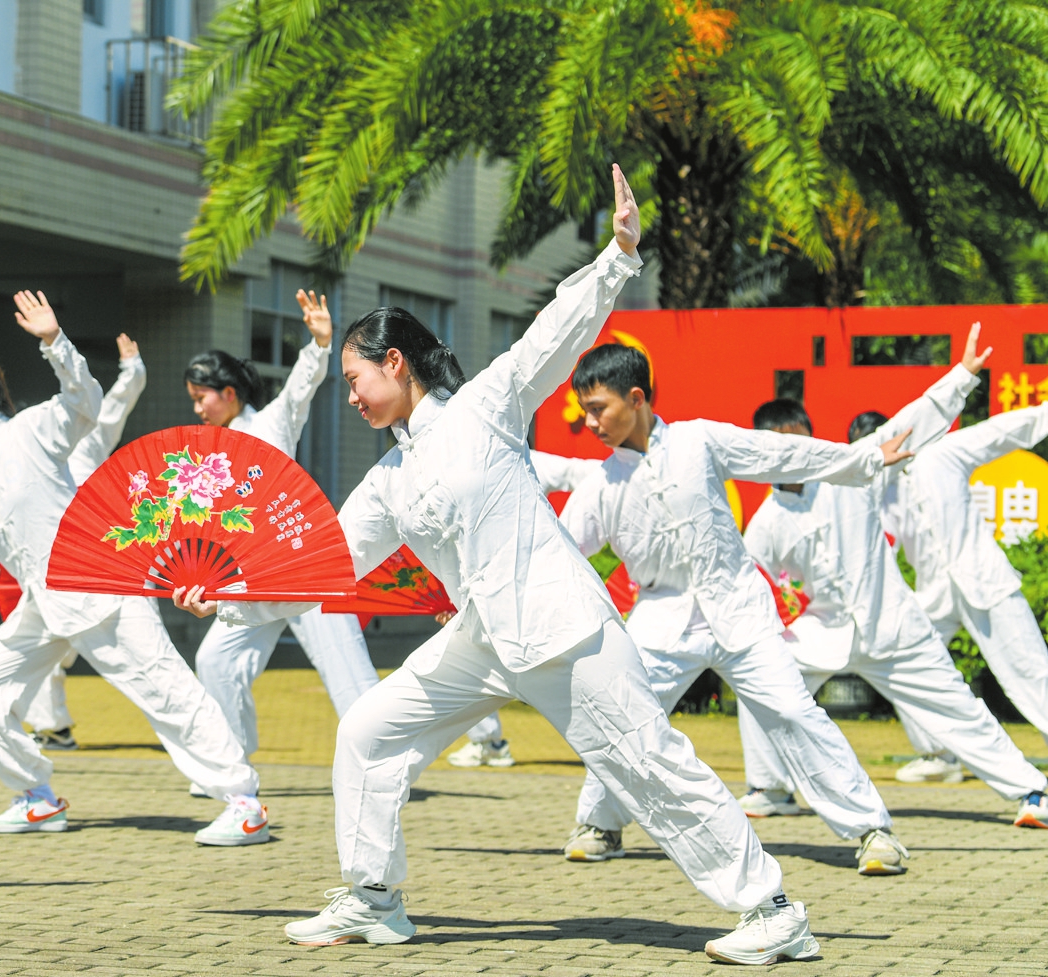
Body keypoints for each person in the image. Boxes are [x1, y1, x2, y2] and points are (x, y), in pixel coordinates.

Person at [177, 166, 818, 966]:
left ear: (397, 363)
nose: (350, 398)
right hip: (481, 638)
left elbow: (555, 330)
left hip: (563, 629)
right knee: (370, 731)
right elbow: (323, 559)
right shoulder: (389, 477)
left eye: (354, 380)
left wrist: (617, 256)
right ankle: (373, 897)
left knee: (650, 765)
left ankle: (772, 909)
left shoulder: (485, 406)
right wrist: (229, 591)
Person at [0, 292, 267, 847]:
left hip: (102, 585)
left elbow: (84, 401)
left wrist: (54, 342)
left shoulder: (32, 430)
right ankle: (37, 798)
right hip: (43, 604)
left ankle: (243, 802)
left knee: (167, 692)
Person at [559, 340, 917, 876]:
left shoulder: (698, 441)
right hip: (660, 622)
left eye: (598, 408)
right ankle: (601, 825)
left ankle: (872, 832)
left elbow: (782, 454)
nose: (590, 421)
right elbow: (558, 551)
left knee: (795, 713)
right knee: (627, 723)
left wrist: (862, 459)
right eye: (584, 409)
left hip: (739, 611)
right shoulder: (600, 484)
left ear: (636, 398)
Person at [736, 334, 1048, 832]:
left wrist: (963, 376)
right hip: (820, 636)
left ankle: (1032, 791)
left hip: (894, 629)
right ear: (762, 453)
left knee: (958, 711)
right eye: (780, 447)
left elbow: (912, 419)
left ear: (813, 439)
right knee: (758, 676)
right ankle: (770, 788)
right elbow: (748, 585)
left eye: (800, 441)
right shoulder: (766, 522)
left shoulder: (850, 469)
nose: (792, 454)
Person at [182, 293, 379, 786]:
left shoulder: (270, 423)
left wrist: (318, 343)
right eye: (192, 400)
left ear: (229, 393)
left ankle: (382, 763)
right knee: (214, 659)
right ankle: (233, 762)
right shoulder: (203, 456)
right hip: (250, 585)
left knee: (347, 670)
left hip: (305, 572)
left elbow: (299, 390)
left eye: (200, 396)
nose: (197, 407)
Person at [879, 399, 1048, 789]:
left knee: (1031, 673)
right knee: (897, 660)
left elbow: (1000, 432)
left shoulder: (943, 455)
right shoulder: (883, 489)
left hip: (986, 584)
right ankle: (937, 756)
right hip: (934, 597)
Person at [22, 334, 148, 752]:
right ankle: (52, 725)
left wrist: (132, 371)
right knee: (45, 650)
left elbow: (113, 408)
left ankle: (180, 717)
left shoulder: (87, 442)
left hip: (101, 563)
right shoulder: (29, 454)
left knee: (139, 648)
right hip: (53, 570)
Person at [446, 449, 600, 768]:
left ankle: (604, 740)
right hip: (482, 591)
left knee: (561, 668)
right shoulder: (455, 463)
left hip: (532, 589)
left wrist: (568, 531)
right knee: (473, 658)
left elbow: (589, 472)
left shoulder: (521, 458)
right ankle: (489, 741)